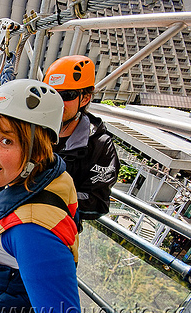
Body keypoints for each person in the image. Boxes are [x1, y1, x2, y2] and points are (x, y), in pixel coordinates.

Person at [0, 79, 81, 313]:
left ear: (36, 151)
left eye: (6, 141)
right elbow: (40, 197)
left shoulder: (33, 235)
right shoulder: (51, 172)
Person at [43, 55, 120, 226]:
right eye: (52, 94)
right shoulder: (34, 128)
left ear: (85, 99)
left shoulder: (99, 146)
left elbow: (96, 203)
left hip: (58, 229)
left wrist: (41, 195)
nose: (58, 102)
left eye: (67, 95)